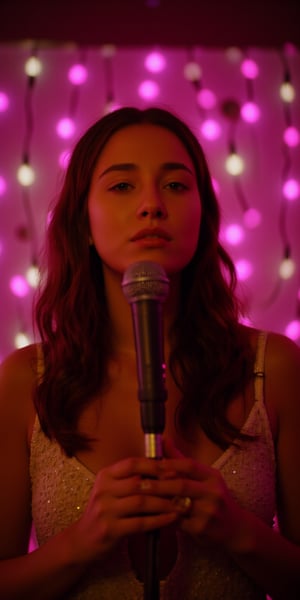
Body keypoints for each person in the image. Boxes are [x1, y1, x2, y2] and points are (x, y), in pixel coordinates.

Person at [0, 105, 300, 600]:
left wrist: (240, 533)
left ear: (203, 216)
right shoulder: (24, 382)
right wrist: (81, 542)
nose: (151, 205)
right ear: (83, 220)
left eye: (176, 186)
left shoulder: (275, 370)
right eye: (122, 186)